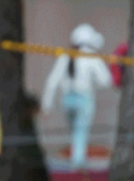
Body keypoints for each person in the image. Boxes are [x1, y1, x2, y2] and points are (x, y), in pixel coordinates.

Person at [41, 23, 113, 170]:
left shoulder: (65, 56)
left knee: (74, 132)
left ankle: (76, 161)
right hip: (84, 99)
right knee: (80, 132)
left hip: (66, 99)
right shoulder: (91, 56)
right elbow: (106, 80)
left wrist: (46, 104)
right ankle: (78, 165)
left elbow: (52, 81)